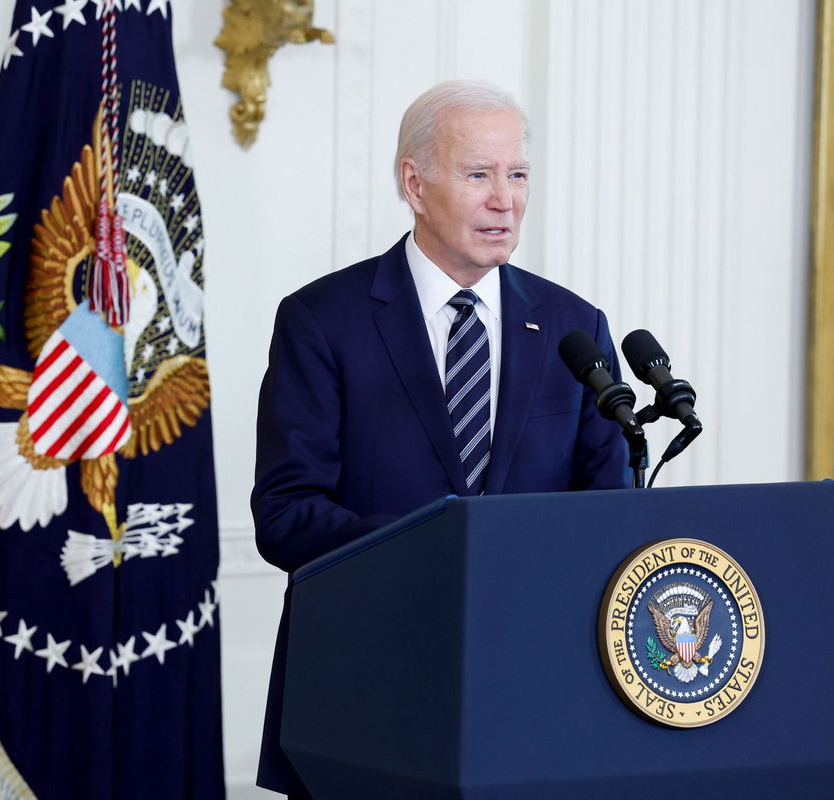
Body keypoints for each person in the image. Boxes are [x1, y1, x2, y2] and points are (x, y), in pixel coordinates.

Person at [250, 79, 629, 798]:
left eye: (517, 175)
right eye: (479, 174)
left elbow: (605, 513)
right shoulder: (322, 321)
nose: (505, 199)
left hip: (533, 702)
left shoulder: (574, 328)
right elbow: (286, 513)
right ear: (414, 184)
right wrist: (439, 556)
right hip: (367, 701)